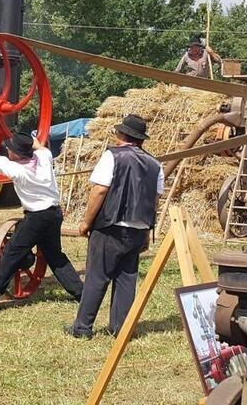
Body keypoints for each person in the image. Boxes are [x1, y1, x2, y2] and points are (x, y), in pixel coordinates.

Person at [0, 129, 83, 311]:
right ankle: (82, 293)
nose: (7, 150)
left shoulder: (16, 170)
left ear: (16, 154)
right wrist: (20, 136)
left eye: (10, 148)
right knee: (55, 256)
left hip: (37, 217)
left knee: (12, 253)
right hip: (54, 214)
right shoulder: (44, 156)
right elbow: (37, 144)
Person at [66, 115, 164, 339]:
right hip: (138, 230)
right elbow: (154, 200)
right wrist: (148, 230)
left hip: (110, 227)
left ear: (122, 135)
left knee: (96, 277)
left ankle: (82, 328)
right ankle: (121, 329)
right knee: (126, 279)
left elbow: (99, 190)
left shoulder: (113, 156)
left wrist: (86, 222)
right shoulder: (155, 164)